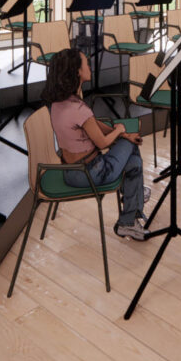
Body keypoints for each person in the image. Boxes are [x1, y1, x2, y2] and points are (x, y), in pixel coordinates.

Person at [44, 48, 149, 239]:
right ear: (77, 71)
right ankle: (130, 212)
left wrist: (121, 134)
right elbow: (102, 143)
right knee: (131, 146)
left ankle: (133, 204)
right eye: (86, 63)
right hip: (91, 173)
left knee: (133, 163)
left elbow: (93, 124)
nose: (90, 66)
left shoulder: (60, 102)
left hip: (70, 171)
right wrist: (120, 131)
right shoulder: (78, 108)